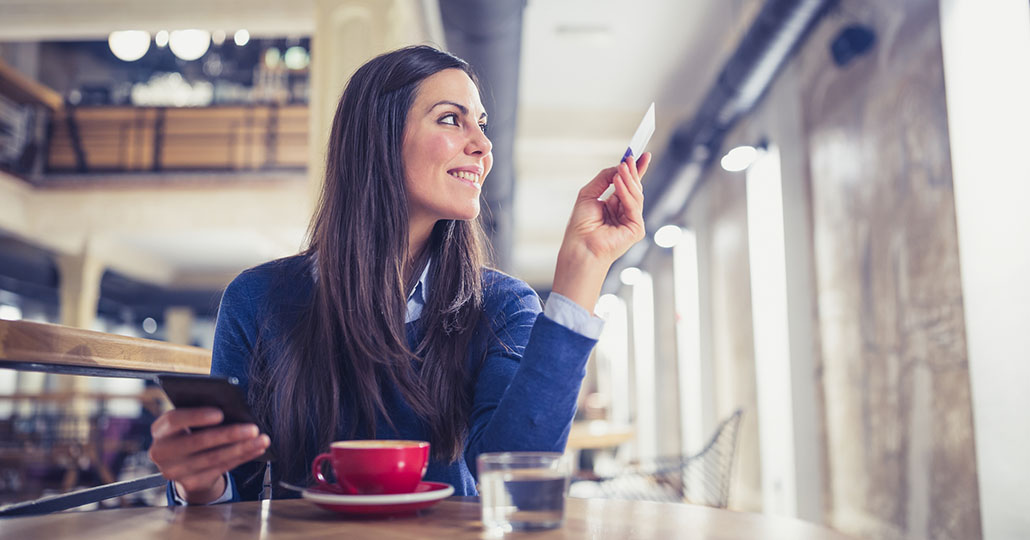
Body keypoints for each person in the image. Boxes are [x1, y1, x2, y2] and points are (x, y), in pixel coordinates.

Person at [148, 45, 650, 504]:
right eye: (452, 120)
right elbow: (231, 489)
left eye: (482, 123)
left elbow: (514, 475)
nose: (482, 145)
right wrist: (197, 479)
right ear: (379, 139)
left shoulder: (503, 306)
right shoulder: (256, 299)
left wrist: (583, 267)